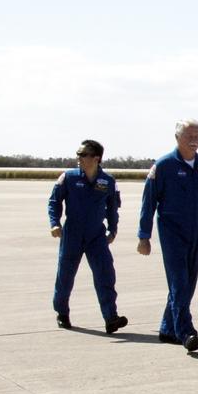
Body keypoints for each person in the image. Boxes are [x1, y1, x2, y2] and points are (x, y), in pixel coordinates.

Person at [137, 119, 198, 353]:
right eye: (189, 135)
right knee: (179, 282)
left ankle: (168, 328)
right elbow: (148, 203)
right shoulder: (164, 166)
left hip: (196, 228)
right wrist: (143, 236)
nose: (194, 140)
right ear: (177, 137)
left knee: (188, 282)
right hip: (171, 229)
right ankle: (186, 331)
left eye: (197, 135)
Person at [47, 139, 127, 333]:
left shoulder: (107, 181)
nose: (79, 158)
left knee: (105, 274)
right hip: (72, 234)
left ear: (96, 158)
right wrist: (55, 223)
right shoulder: (68, 178)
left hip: (96, 236)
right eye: (78, 154)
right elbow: (54, 202)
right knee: (65, 275)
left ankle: (111, 318)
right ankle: (62, 313)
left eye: (83, 155)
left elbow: (112, 208)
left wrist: (113, 229)